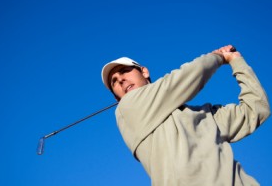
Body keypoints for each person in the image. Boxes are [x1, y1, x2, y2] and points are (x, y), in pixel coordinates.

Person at [101, 45, 270, 186]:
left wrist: (237, 62)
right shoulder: (127, 108)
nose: (120, 80)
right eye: (114, 81)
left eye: (124, 71)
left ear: (144, 72)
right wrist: (218, 57)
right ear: (117, 98)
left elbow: (255, 109)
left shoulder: (205, 116)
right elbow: (184, 78)